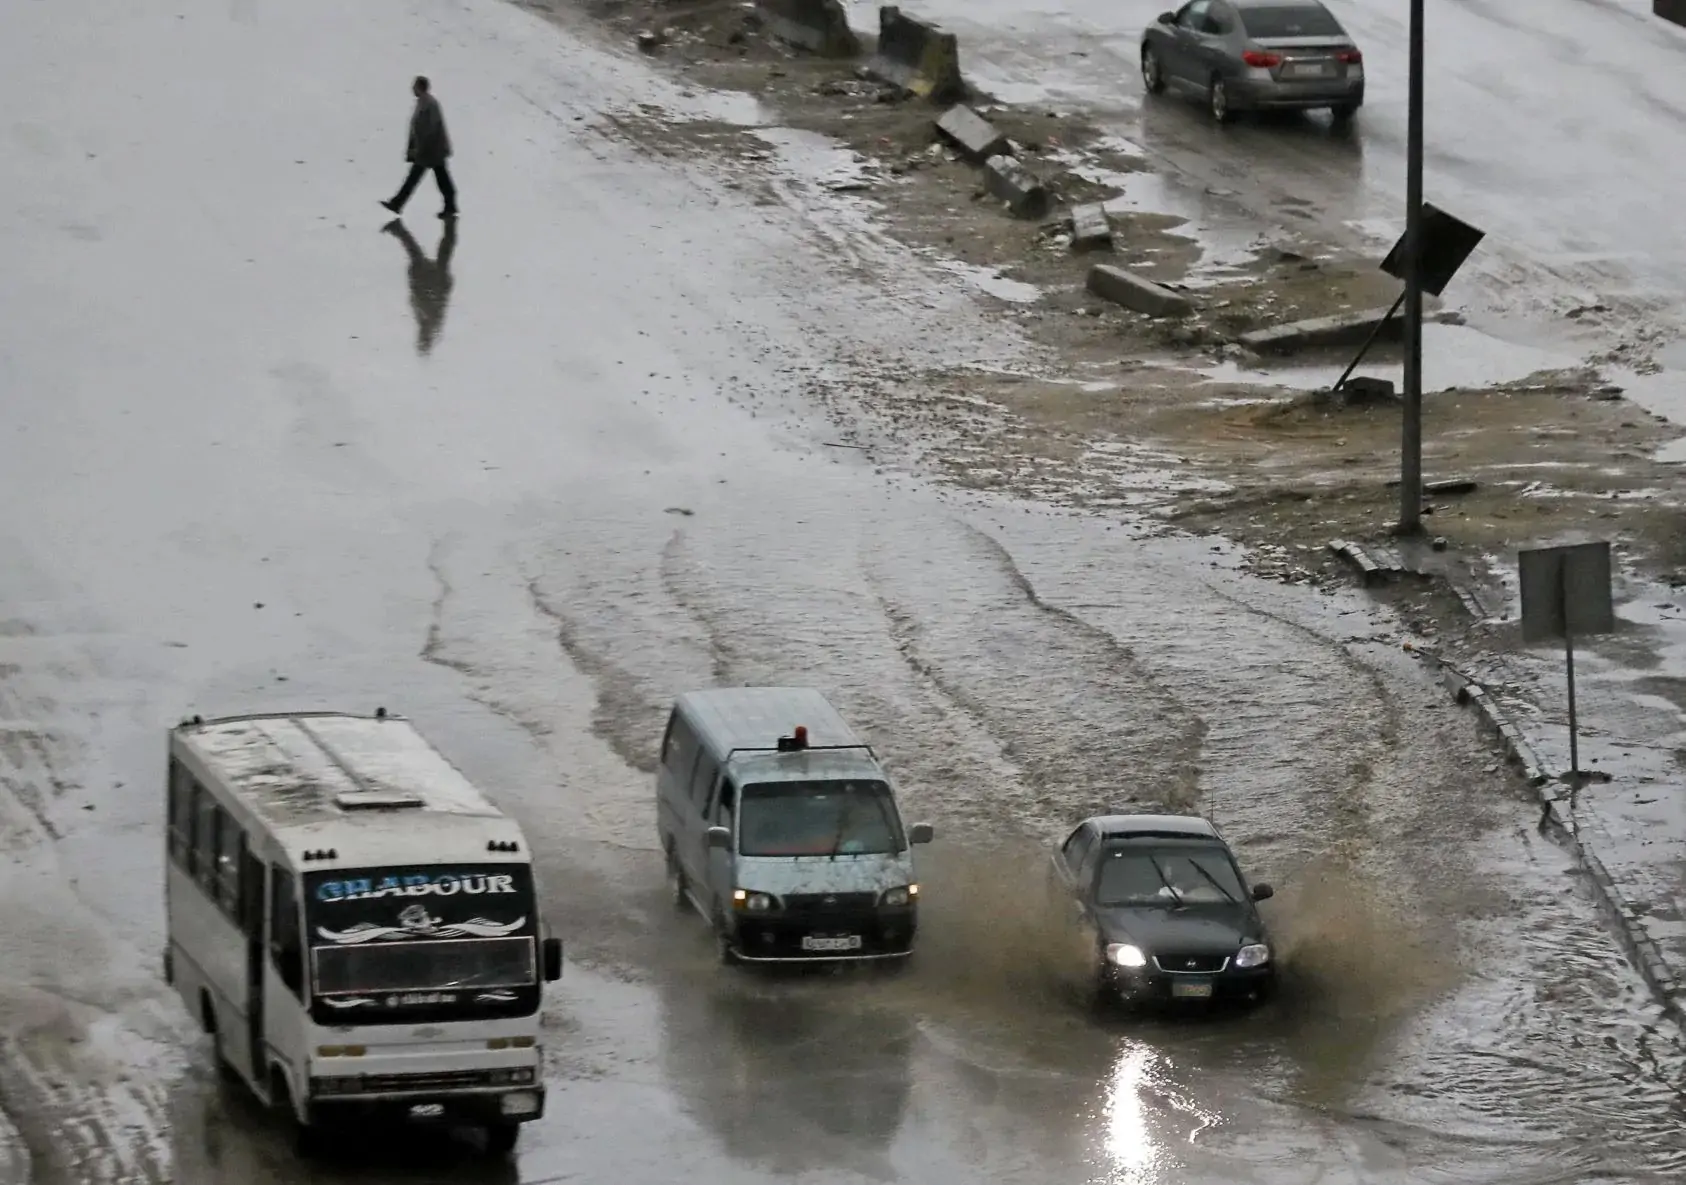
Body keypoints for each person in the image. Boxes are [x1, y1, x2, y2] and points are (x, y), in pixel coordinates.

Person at [382, 76, 457, 219]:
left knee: (429, 178)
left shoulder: (430, 103)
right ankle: (450, 206)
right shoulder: (423, 103)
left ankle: (397, 203)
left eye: (414, 86)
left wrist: (421, 146)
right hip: (429, 150)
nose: (412, 89)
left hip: (432, 150)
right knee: (439, 178)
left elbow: (432, 126)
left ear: (420, 87)